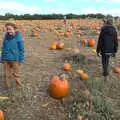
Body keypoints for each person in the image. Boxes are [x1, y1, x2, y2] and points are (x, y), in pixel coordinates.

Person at [1, 22, 24, 88]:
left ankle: (18, 86)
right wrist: (2, 58)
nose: (8, 31)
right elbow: (3, 47)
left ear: (15, 29)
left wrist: (21, 59)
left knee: (16, 73)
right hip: (6, 59)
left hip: (15, 59)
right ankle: (8, 86)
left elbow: (21, 50)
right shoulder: (6, 37)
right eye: (7, 29)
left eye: (10, 29)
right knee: (7, 74)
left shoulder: (18, 38)